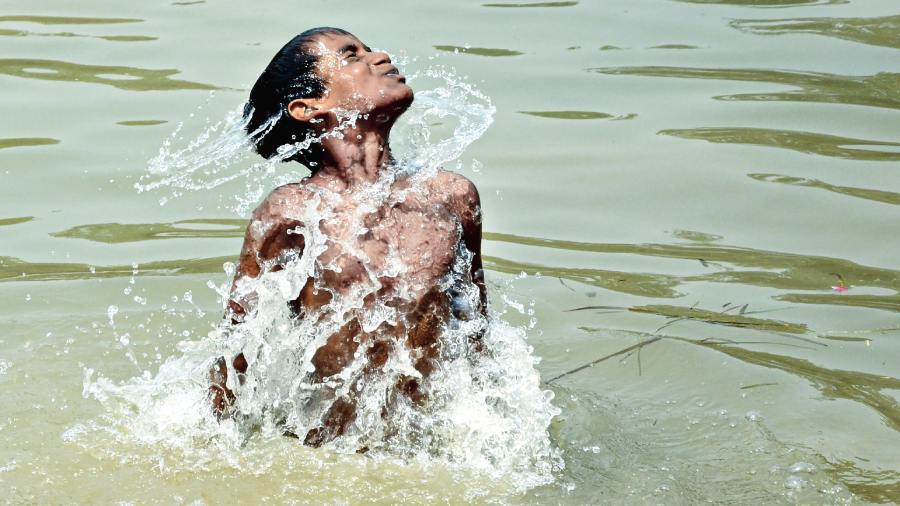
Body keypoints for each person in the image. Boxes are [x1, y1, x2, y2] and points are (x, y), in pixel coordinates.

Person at [208, 27, 486, 446]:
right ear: (308, 108)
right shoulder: (291, 212)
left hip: (425, 445)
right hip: (327, 450)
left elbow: (477, 330)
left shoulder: (451, 196)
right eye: (351, 55)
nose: (381, 57)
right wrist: (214, 448)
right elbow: (235, 353)